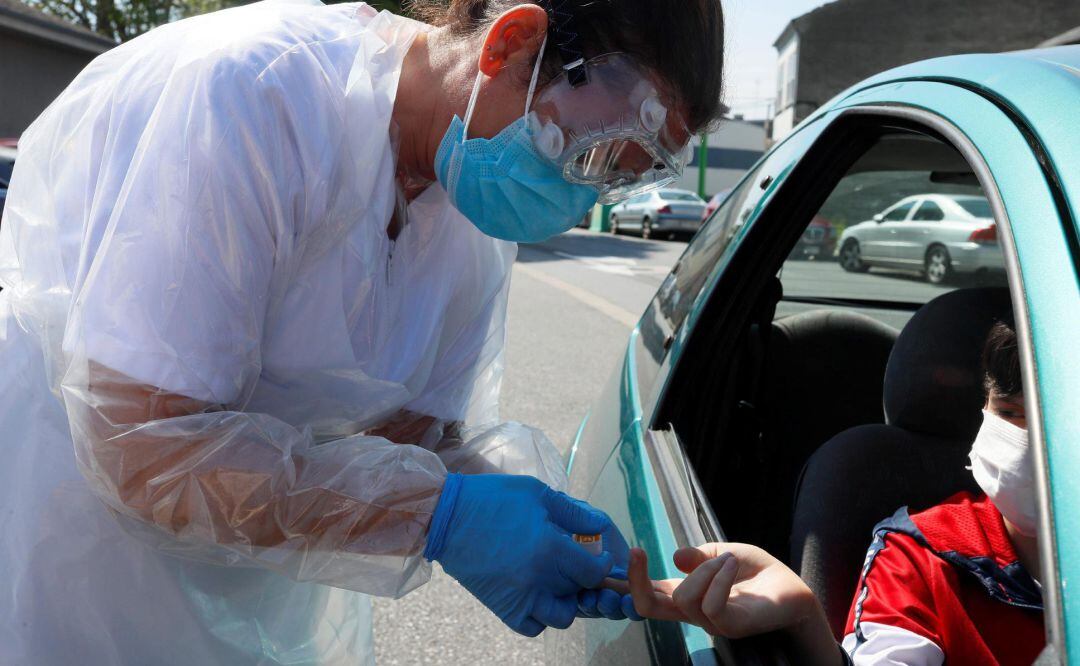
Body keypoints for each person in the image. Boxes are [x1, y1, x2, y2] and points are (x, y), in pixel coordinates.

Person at [0, 0, 726, 663]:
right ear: (510, 42)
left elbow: (413, 438)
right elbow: (141, 448)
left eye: (607, 182)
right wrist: (439, 516)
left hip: (249, 591)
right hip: (65, 558)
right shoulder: (258, 96)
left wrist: (540, 525)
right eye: (588, 155)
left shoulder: (469, 224)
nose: (576, 198)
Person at [627, 318, 1045, 665]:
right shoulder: (922, 555)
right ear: (982, 411)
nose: (1028, 440)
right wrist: (806, 617)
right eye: (1009, 413)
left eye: (1051, 420)